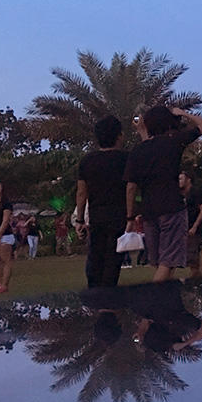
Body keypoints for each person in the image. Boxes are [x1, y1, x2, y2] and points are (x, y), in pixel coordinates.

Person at [123, 105, 202, 283]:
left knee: (160, 262)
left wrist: (130, 216)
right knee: (168, 262)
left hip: (149, 211)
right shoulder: (173, 142)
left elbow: (131, 187)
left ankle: (164, 304)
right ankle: (154, 301)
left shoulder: (138, 151)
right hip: (171, 208)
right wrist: (183, 113)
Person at [74, 115, 130, 288]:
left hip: (97, 216)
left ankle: (95, 292)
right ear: (119, 135)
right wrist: (131, 216)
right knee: (113, 259)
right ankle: (108, 297)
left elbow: (82, 193)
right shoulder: (126, 159)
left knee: (95, 255)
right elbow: (131, 189)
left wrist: (80, 220)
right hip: (119, 216)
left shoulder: (87, 161)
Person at [180, 170, 202, 277]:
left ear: (188, 179)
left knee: (192, 257)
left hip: (191, 228)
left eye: (181, 179)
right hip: (179, 228)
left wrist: (195, 226)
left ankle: (195, 279)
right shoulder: (177, 193)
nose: (179, 181)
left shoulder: (195, 193)